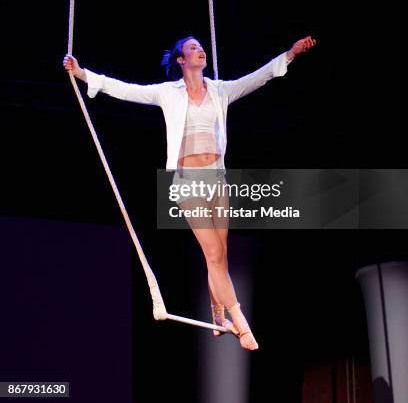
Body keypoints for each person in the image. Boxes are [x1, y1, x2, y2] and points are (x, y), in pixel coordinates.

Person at [63, 34, 316, 351]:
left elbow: (258, 78)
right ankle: (241, 322)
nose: (201, 50)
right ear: (181, 60)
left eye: (201, 47)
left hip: (217, 178)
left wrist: (290, 54)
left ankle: (217, 314)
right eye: (193, 48)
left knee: (220, 256)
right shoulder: (168, 93)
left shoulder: (220, 90)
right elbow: (125, 90)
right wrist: (82, 73)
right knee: (212, 253)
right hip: (188, 180)